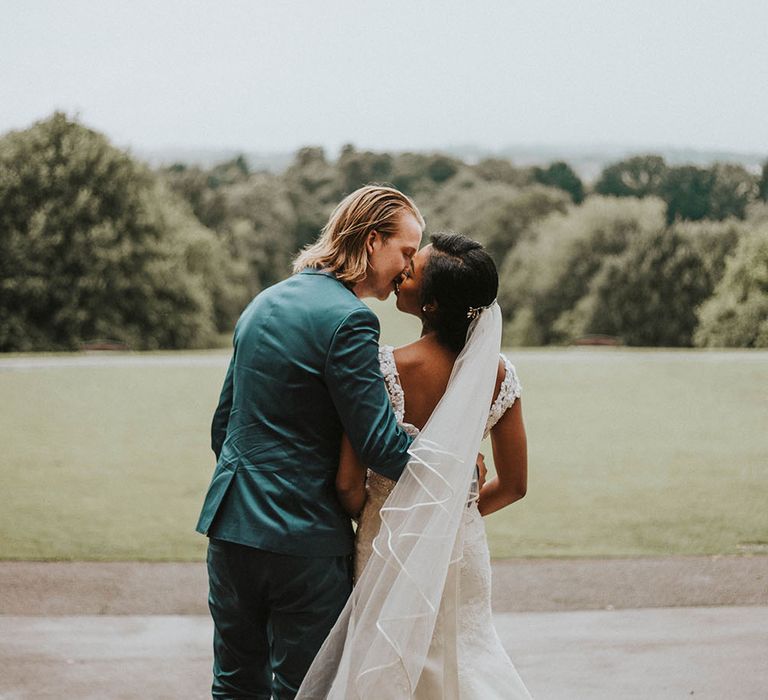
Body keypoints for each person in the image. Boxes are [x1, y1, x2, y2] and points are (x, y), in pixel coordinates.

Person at [196, 185, 424, 699]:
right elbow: (381, 445)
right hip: (304, 541)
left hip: (230, 529)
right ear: (371, 241)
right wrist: (452, 467)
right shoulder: (352, 319)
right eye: (406, 252)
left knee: (233, 686)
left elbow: (222, 425)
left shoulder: (264, 302)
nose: (408, 269)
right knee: (306, 690)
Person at [297, 233, 532, 699]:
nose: (401, 273)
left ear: (431, 304)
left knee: (387, 666)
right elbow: (515, 486)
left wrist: (390, 516)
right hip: (460, 550)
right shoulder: (498, 373)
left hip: (387, 543)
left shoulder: (383, 368)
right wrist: (445, 519)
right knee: (466, 659)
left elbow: (347, 483)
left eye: (412, 272)